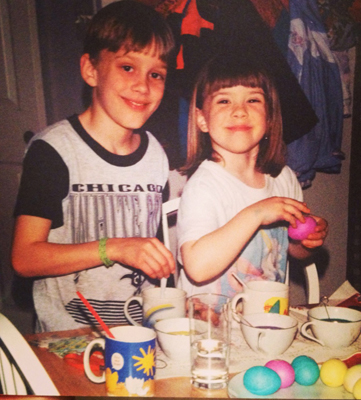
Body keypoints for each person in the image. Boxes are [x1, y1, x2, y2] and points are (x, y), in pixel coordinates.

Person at [11, 0, 176, 332]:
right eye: (127, 67)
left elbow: (153, 255)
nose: (143, 86)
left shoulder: (156, 155)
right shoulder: (53, 151)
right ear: (90, 70)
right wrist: (114, 247)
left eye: (156, 74)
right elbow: (24, 258)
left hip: (135, 335)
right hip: (66, 339)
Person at [176, 55, 328, 298]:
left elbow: (293, 250)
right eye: (224, 100)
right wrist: (257, 213)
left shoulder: (284, 179)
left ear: (269, 117)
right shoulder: (204, 186)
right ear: (202, 119)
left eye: (253, 100)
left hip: (267, 320)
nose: (239, 111)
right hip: (209, 328)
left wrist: (307, 241)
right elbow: (197, 268)